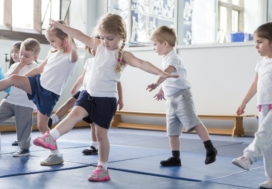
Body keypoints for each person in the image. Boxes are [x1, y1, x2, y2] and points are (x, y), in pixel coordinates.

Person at [32, 14, 178, 182]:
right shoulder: (98, 46)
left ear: (121, 36)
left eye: (110, 38)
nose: (105, 41)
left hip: (106, 99)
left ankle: (102, 168)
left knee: (101, 135)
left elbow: (142, 63)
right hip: (88, 94)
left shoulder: (122, 55)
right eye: (102, 37)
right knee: (73, 114)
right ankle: (52, 137)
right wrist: (61, 27)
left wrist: (161, 73)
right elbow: (79, 35)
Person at [0, 20, 78, 164]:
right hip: (37, 85)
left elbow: (74, 54)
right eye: (49, 41)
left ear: (65, 39)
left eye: (53, 40)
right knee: (13, 78)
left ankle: (56, 155)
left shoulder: (70, 56)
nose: (51, 44)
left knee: (42, 126)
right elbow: (38, 70)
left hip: (49, 93)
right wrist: (20, 80)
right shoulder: (53, 53)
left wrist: (67, 35)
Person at [146, 26, 217, 167]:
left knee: (193, 121)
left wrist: (155, 83)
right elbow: (167, 78)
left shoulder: (173, 58)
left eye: (155, 44)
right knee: (172, 130)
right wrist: (161, 91)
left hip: (182, 96)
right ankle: (175, 157)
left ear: (165, 43)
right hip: (170, 99)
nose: (153, 47)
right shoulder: (165, 58)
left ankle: (210, 148)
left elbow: (166, 72)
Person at [232, 22, 272, 189]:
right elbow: (255, 84)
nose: (255, 45)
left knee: (264, 134)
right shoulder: (261, 62)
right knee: (269, 142)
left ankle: (248, 157)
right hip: (263, 105)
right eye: (255, 42)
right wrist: (243, 102)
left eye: (259, 41)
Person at [48, 44, 124, 155]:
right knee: (70, 102)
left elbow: (117, 82)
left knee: (94, 123)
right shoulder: (89, 62)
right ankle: (53, 119)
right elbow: (83, 76)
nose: (94, 52)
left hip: (98, 95)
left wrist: (120, 98)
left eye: (96, 50)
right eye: (92, 50)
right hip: (85, 91)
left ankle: (93, 146)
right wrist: (75, 86)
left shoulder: (108, 63)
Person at [8, 41, 22, 146]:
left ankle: (21, 139)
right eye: (12, 52)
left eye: (16, 51)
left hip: (22, 98)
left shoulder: (28, 66)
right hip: (12, 95)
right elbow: (7, 79)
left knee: (21, 119)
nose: (14, 54)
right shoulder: (13, 67)